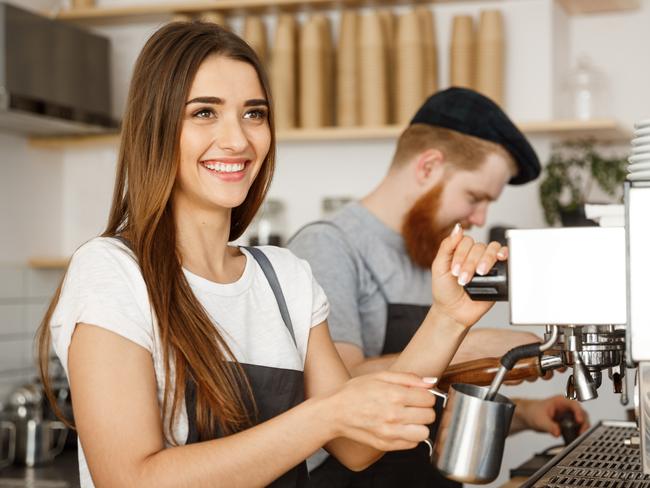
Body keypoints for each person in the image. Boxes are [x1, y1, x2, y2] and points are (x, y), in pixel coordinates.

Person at [35, 24, 515, 488]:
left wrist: (449, 318)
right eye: (204, 112)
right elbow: (131, 479)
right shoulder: (111, 271)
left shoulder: (285, 278)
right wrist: (323, 414)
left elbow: (356, 444)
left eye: (254, 113)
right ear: (155, 127)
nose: (239, 139)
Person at [288, 87, 590, 487]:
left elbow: (436, 399)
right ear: (428, 166)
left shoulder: (429, 249)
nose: (480, 218)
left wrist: (528, 413)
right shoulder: (328, 246)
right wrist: (470, 346)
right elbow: (339, 391)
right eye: (474, 197)